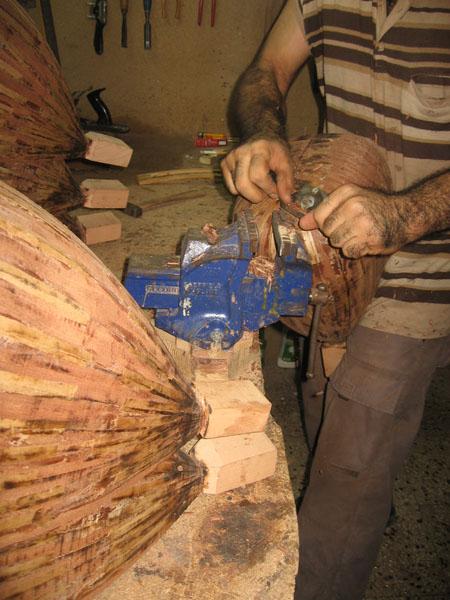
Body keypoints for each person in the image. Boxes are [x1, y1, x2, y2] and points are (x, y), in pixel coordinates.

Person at [221, 1, 450, 598]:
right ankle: (370, 479)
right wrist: (265, 130)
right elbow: (268, 68)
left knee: (345, 478)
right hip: (328, 266)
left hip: (420, 271)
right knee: (321, 398)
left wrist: (408, 213)